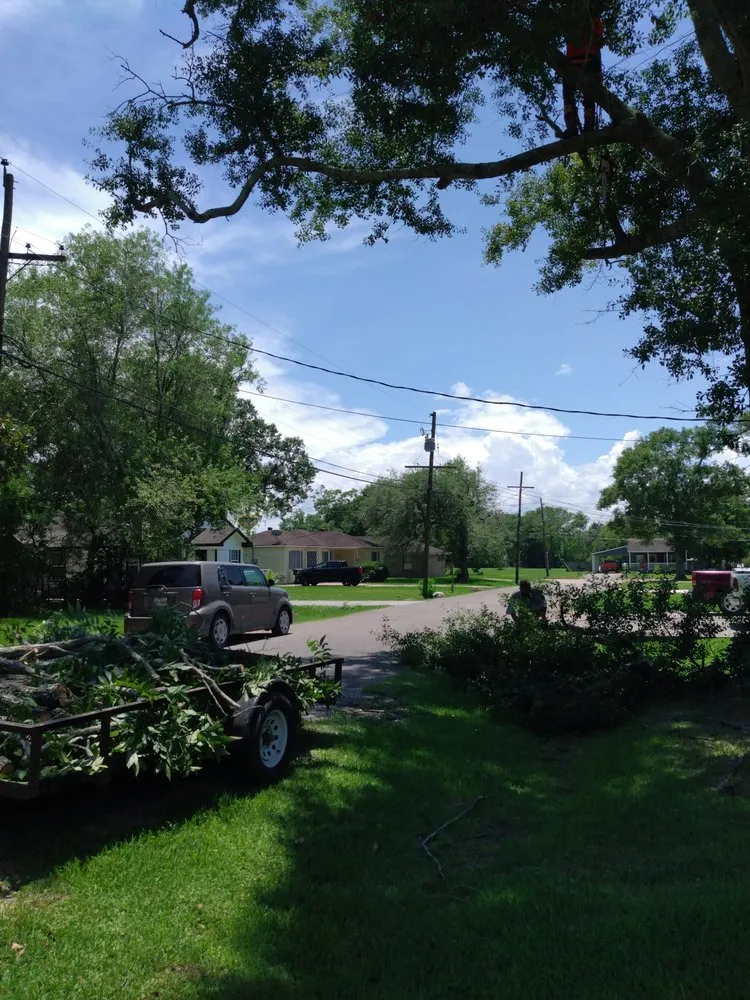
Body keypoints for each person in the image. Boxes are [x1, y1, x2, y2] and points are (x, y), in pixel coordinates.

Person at [563, 5, 604, 136]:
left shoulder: (571, 19)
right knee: (588, 96)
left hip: (574, 63)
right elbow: (599, 40)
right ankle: (587, 125)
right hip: (588, 63)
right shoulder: (595, 21)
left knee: (569, 96)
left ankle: (572, 127)